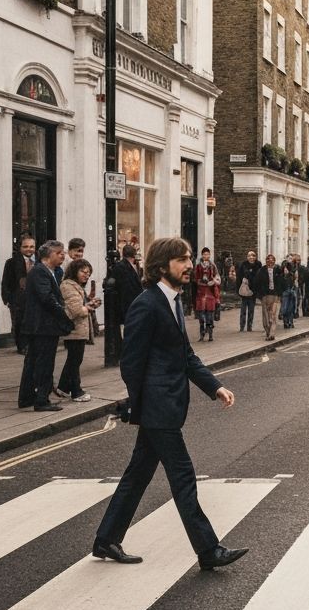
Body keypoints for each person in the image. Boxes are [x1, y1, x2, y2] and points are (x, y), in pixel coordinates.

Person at [92, 237, 246, 570]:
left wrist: (214, 386)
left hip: (161, 407)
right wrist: (142, 405)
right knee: (183, 477)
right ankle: (208, 550)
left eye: (189, 258)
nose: (189, 265)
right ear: (162, 266)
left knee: (138, 475)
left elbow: (184, 355)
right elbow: (131, 363)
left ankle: (106, 539)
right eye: (182, 260)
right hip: (158, 408)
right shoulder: (146, 304)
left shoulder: (173, 302)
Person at [17, 240, 73, 412]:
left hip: (39, 326)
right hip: (43, 326)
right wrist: (64, 315)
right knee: (44, 363)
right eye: (59, 252)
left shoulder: (49, 271)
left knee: (33, 362)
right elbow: (47, 298)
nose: (63, 255)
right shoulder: (41, 272)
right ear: (48, 255)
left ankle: (26, 397)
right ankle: (41, 400)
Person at [56, 258, 98, 402]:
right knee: (75, 360)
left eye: (88, 273)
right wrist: (88, 308)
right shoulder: (68, 286)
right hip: (74, 330)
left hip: (79, 329)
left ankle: (62, 387)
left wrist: (89, 305)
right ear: (74, 271)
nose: (86, 275)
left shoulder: (75, 286)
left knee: (74, 359)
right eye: (83, 272)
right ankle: (76, 391)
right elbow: (74, 310)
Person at [1, 233, 35, 353]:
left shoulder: (39, 262)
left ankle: (31, 344)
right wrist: (8, 299)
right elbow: (5, 282)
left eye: (31, 246)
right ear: (20, 248)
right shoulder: (11, 262)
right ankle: (22, 346)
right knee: (19, 322)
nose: (29, 249)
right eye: (25, 246)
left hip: (34, 299)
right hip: (17, 299)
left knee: (32, 321)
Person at [111, 243, 143, 333]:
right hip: (128, 304)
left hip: (129, 304)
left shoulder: (127, 266)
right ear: (134, 254)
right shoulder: (122, 267)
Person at [252, 253, 284, 340]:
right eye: (268, 260)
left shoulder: (278, 270)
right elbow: (256, 283)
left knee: (272, 315)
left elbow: (282, 282)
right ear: (266, 261)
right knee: (266, 316)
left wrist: (279, 294)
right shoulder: (261, 271)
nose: (270, 262)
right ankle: (267, 331)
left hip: (274, 295)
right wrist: (259, 295)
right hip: (265, 295)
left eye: (272, 260)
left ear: (274, 261)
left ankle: (272, 333)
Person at [192, 248, 220, 342]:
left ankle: (210, 335)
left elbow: (217, 277)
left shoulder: (212, 265)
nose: (206, 256)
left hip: (210, 293)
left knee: (210, 315)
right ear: (202, 255)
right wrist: (200, 282)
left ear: (210, 255)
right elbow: (195, 278)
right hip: (201, 293)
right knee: (201, 316)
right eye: (204, 254)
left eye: (207, 254)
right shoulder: (198, 266)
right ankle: (202, 335)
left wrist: (213, 282)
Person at [236, 249, 260, 332]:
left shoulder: (258, 265)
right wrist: (238, 290)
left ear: (255, 257)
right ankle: (242, 326)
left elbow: (258, 278)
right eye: (249, 256)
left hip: (253, 291)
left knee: (251, 309)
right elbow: (239, 278)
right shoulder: (243, 265)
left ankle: (249, 326)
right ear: (247, 257)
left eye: (253, 256)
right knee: (243, 309)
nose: (251, 257)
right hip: (244, 291)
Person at [280, 256, 297, 329]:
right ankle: (286, 322)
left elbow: (295, 279)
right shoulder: (282, 276)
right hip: (285, 292)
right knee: (285, 308)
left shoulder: (291, 274)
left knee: (291, 308)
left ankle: (290, 322)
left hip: (291, 290)